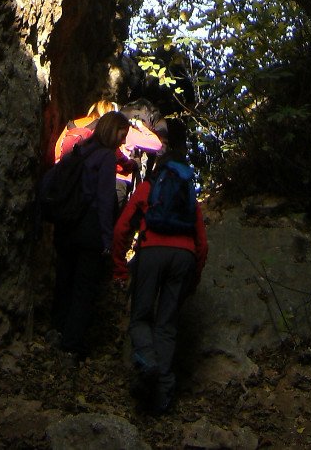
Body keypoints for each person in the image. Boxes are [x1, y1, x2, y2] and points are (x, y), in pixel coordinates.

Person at [112, 138, 208, 416]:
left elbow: (121, 229)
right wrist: (195, 275)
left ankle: (148, 361)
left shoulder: (148, 188)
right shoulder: (188, 195)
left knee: (141, 317)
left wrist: (119, 267)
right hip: (184, 257)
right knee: (166, 325)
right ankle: (163, 394)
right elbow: (202, 242)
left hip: (152, 252)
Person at [49, 109, 131, 361]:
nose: (123, 140)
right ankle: (71, 344)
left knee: (64, 281)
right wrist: (107, 240)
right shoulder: (106, 157)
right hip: (88, 230)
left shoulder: (80, 150)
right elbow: (105, 200)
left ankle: (57, 331)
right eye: (122, 133)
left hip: (66, 226)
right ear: (112, 129)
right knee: (84, 288)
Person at [54, 98, 118, 160]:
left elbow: (58, 151)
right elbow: (115, 154)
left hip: (64, 165)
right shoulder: (105, 128)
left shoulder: (74, 123)